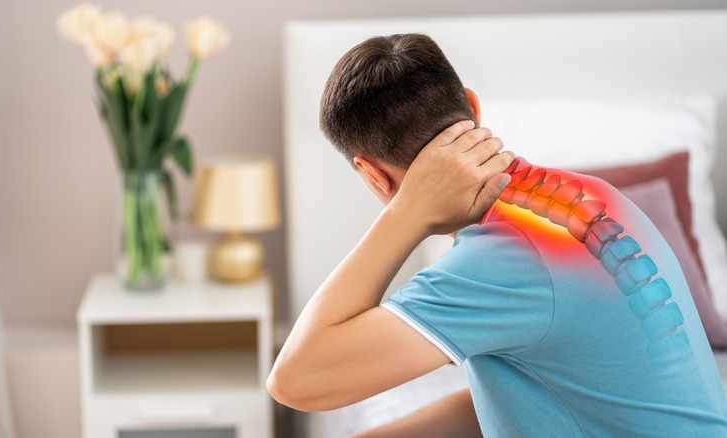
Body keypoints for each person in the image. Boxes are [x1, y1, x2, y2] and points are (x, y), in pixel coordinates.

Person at [267, 33, 727, 437]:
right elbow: (550, 387)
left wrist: (406, 214)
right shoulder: (594, 198)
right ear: (473, 106)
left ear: (371, 174)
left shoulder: (502, 259)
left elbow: (294, 380)